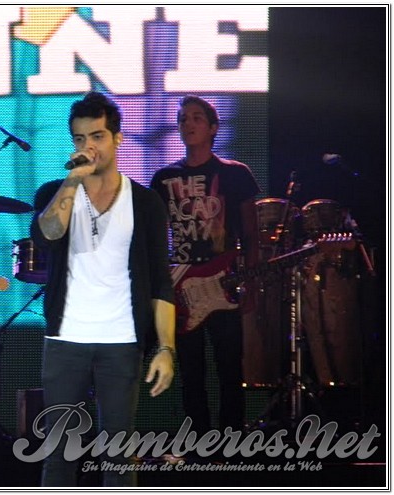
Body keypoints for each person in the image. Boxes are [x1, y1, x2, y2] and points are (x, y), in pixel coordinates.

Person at [31, 92, 176, 487]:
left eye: (97, 136)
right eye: (80, 139)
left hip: (121, 341)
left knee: (118, 455)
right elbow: (47, 235)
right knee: (59, 452)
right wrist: (72, 181)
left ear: (117, 138)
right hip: (66, 339)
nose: (89, 146)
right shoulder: (54, 193)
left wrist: (166, 347)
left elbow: (161, 280)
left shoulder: (145, 202)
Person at [150, 95, 260, 437]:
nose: (188, 123)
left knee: (230, 368)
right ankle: (197, 442)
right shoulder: (164, 177)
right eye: (183, 118)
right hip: (182, 285)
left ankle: (232, 441)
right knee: (191, 371)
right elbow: (156, 237)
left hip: (224, 283)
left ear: (213, 128)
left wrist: (251, 283)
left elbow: (251, 234)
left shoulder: (235, 173)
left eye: (197, 117)